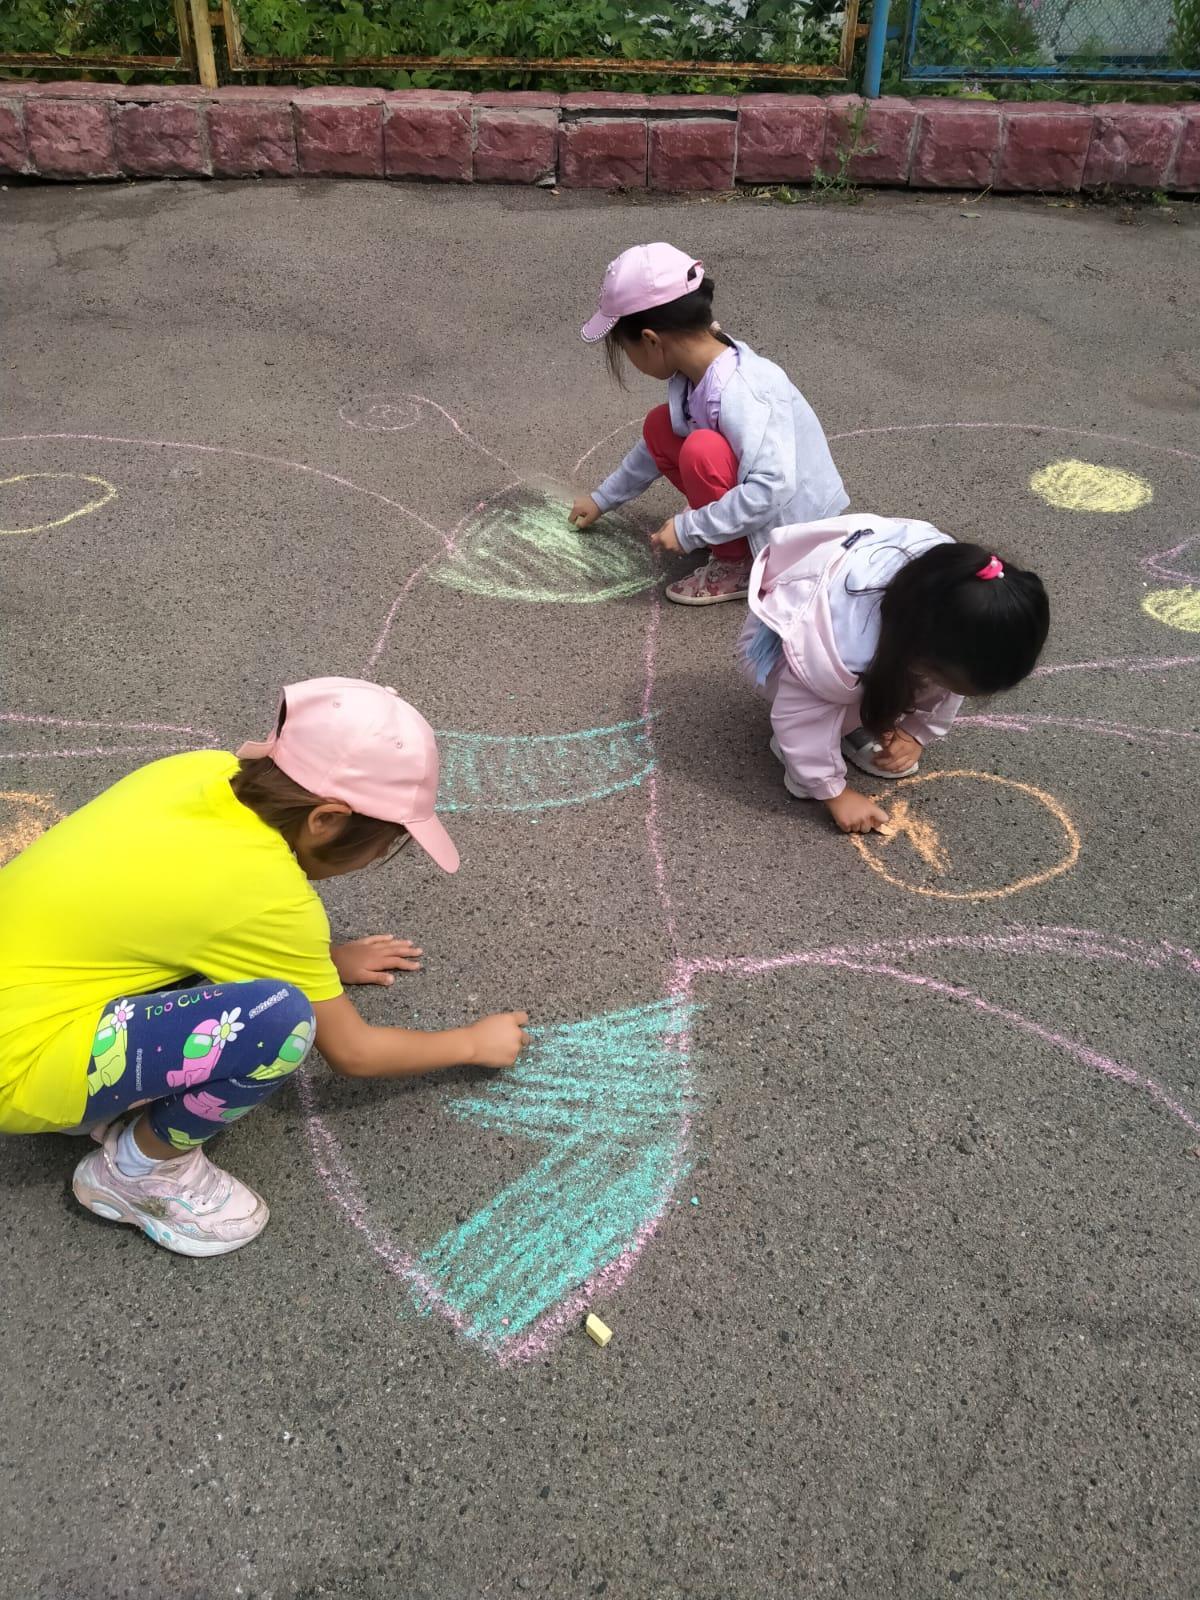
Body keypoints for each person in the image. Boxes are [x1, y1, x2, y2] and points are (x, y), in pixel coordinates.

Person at [0, 678, 529, 1257]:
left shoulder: (198, 771)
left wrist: (318, 962)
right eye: (380, 844)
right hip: (18, 1065)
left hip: (25, 990)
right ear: (326, 819)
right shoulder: (273, 902)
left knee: (223, 973)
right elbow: (356, 1052)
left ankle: (106, 1090)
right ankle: (138, 1172)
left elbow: (184, 906)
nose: (375, 859)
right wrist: (473, 1044)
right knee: (280, 1024)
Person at [569, 241, 848, 607]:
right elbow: (653, 451)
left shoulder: (744, 390)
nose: (630, 361)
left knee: (701, 448)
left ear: (652, 341)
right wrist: (603, 499)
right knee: (660, 427)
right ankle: (729, 534)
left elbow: (773, 489)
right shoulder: (696, 373)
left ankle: (738, 564)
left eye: (627, 350)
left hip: (791, 532)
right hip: (765, 509)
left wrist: (691, 529)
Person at [739, 516, 1049, 834]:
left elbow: (950, 682)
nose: (953, 691)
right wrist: (834, 793)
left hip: (889, 642)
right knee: (819, 721)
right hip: (778, 650)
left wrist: (915, 733)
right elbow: (799, 714)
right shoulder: (843, 652)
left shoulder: (955, 598)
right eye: (948, 681)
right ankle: (803, 763)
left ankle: (853, 725)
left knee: (929, 674)